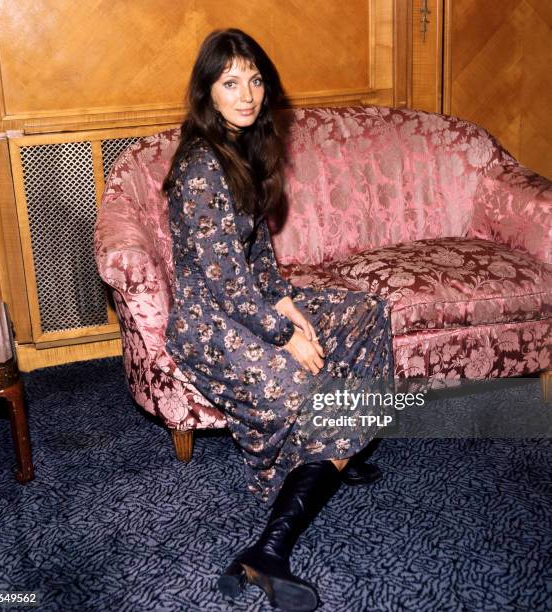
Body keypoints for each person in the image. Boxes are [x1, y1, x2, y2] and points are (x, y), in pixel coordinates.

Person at [162, 28, 394, 612]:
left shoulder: (243, 145)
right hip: (209, 324)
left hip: (251, 305)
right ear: (207, 93)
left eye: (255, 81)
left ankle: (336, 451)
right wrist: (285, 332)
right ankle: (273, 546)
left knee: (363, 314)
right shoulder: (198, 167)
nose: (247, 95)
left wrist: (287, 301)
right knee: (305, 386)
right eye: (230, 83)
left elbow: (256, 250)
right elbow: (221, 281)